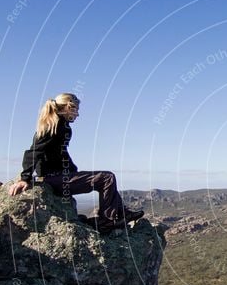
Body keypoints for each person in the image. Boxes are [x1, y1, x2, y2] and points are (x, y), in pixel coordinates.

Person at [8, 93, 143, 232]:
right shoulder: (52, 127)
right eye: (75, 109)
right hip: (51, 179)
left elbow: (61, 152)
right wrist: (25, 178)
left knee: (105, 180)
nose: (77, 114)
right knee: (107, 178)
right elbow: (33, 152)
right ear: (68, 106)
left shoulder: (62, 126)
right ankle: (106, 222)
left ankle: (121, 212)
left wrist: (73, 169)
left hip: (58, 176)